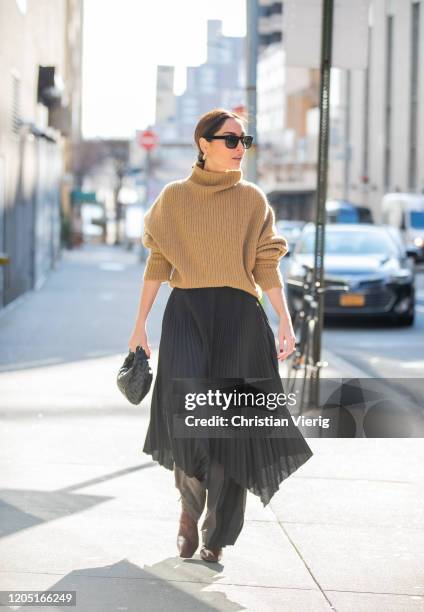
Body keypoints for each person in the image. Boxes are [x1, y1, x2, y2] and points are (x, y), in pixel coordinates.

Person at [128, 108, 313, 563]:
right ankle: (190, 510)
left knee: (233, 431)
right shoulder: (173, 198)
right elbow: (158, 263)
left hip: (239, 320)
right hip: (187, 314)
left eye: (243, 141)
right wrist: (139, 324)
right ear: (203, 144)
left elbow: (267, 265)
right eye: (230, 140)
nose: (238, 149)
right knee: (188, 423)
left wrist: (284, 320)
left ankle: (216, 536)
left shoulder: (252, 200)